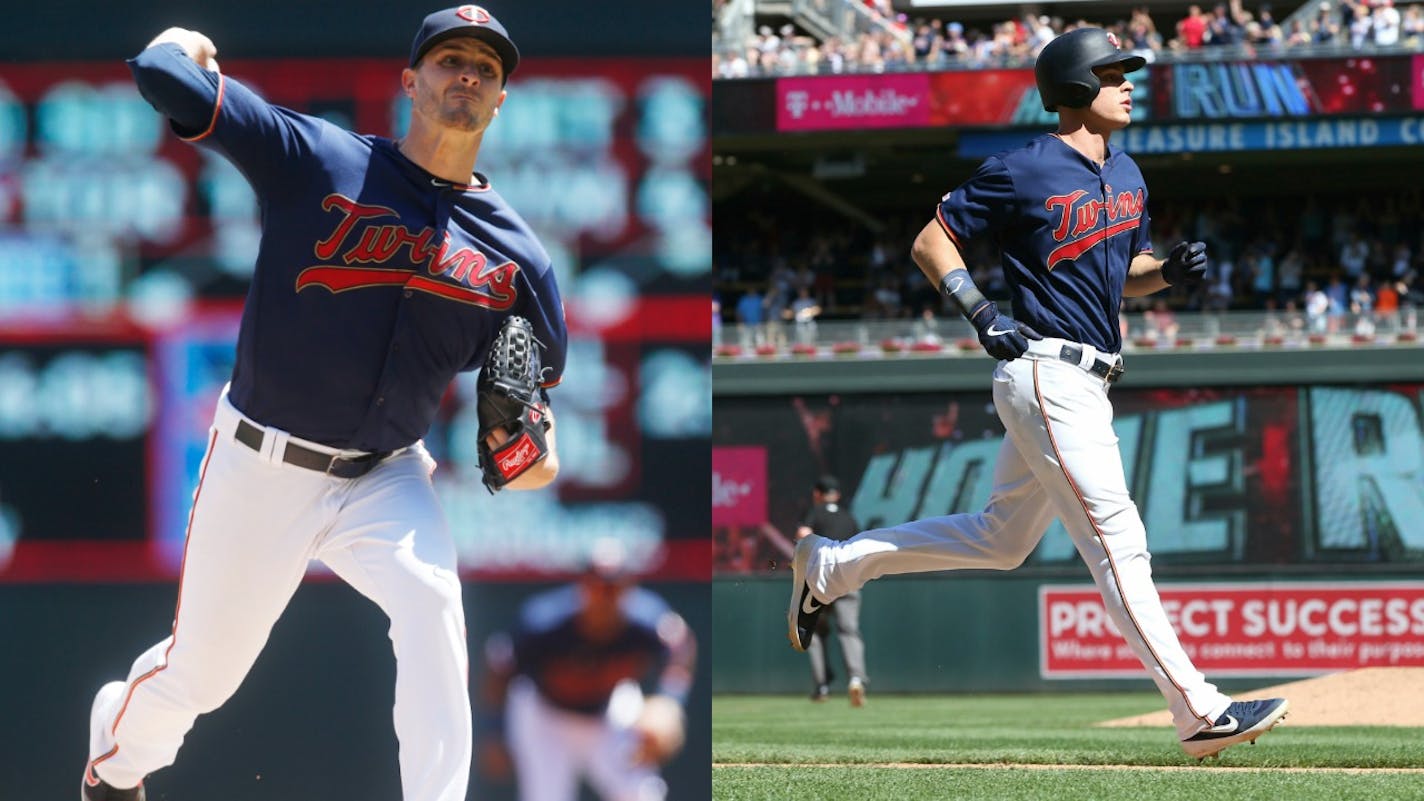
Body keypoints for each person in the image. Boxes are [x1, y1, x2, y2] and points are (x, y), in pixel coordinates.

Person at [84, 8, 567, 800]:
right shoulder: (319, 159)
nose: (468, 76)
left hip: (388, 474)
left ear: (503, 98)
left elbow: (536, 443)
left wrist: (527, 454)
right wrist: (182, 43)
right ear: (411, 82)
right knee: (202, 675)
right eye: (450, 60)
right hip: (263, 461)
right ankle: (114, 762)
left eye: (486, 67)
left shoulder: (518, 259)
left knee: (433, 605)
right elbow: (161, 77)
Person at [785, 28, 1287, 762]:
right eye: (1115, 71)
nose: (1129, 83)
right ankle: (1199, 709)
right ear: (1077, 84)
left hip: (1090, 376)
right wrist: (979, 310)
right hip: (1046, 371)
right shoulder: (1025, 168)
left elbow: (1128, 274)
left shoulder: (1129, 173)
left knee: (1002, 539)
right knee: (1120, 541)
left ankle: (833, 565)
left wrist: (1169, 272)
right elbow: (933, 240)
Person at [480, 541, 697, 801]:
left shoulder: (645, 620)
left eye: (614, 584)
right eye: (597, 583)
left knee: (640, 795)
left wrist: (670, 701)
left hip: (608, 712)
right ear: (583, 585)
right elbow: (500, 668)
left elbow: (681, 647)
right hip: (545, 717)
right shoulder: (546, 622)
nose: (604, 593)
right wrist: (494, 729)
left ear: (628, 586)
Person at [796, 476, 868, 706]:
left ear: (817, 494)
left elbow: (803, 535)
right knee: (849, 630)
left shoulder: (815, 513)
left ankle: (822, 685)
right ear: (836, 495)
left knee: (814, 632)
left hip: (820, 578)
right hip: (848, 576)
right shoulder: (849, 517)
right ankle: (856, 678)